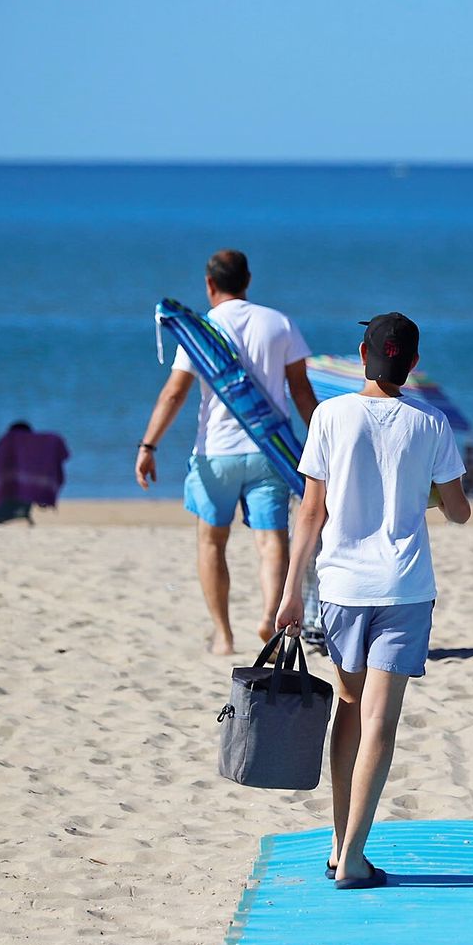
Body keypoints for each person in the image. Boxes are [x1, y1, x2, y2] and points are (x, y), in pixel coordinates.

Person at [274, 312, 470, 889]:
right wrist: (422, 497)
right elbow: (460, 511)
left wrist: (290, 592)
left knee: (350, 708)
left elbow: (312, 511)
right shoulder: (430, 422)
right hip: (404, 586)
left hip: (341, 588)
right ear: (411, 363)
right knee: (381, 720)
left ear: (363, 355)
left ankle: (340, 846)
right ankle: (355, 855)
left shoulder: (330, 416)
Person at [136, 250, 318, 654]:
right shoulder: (279, 323)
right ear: (248, 279)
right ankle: (270, 616)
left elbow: (174, 393)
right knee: (272, 541)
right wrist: (324, 444)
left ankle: (223, 634)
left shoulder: (202, 331)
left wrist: (149, 446)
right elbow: (301, 392)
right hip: (269, 451)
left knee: (211, 542)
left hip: (215, 453)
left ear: (209, 284)